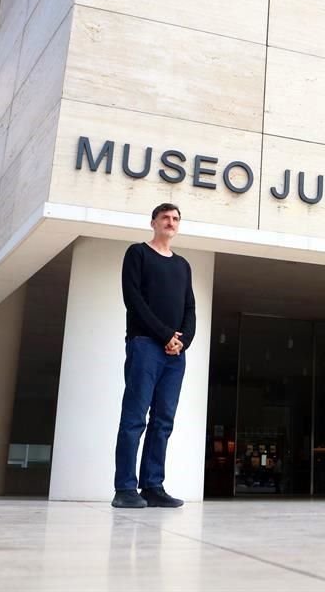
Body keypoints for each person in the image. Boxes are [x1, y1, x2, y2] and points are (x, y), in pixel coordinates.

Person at [112, 203, 196, 509]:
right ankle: (124, 488)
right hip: (145, 344)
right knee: (134, 418)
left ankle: (152, 486)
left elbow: (190, 308)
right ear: (153, 222)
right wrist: (165, 335)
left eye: (176, 218)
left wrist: (183, 341)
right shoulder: (138, 254)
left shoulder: (183, 265)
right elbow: (133, 300)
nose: (171, 222)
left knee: (163, 421)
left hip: (175, 354)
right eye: (165, 218)